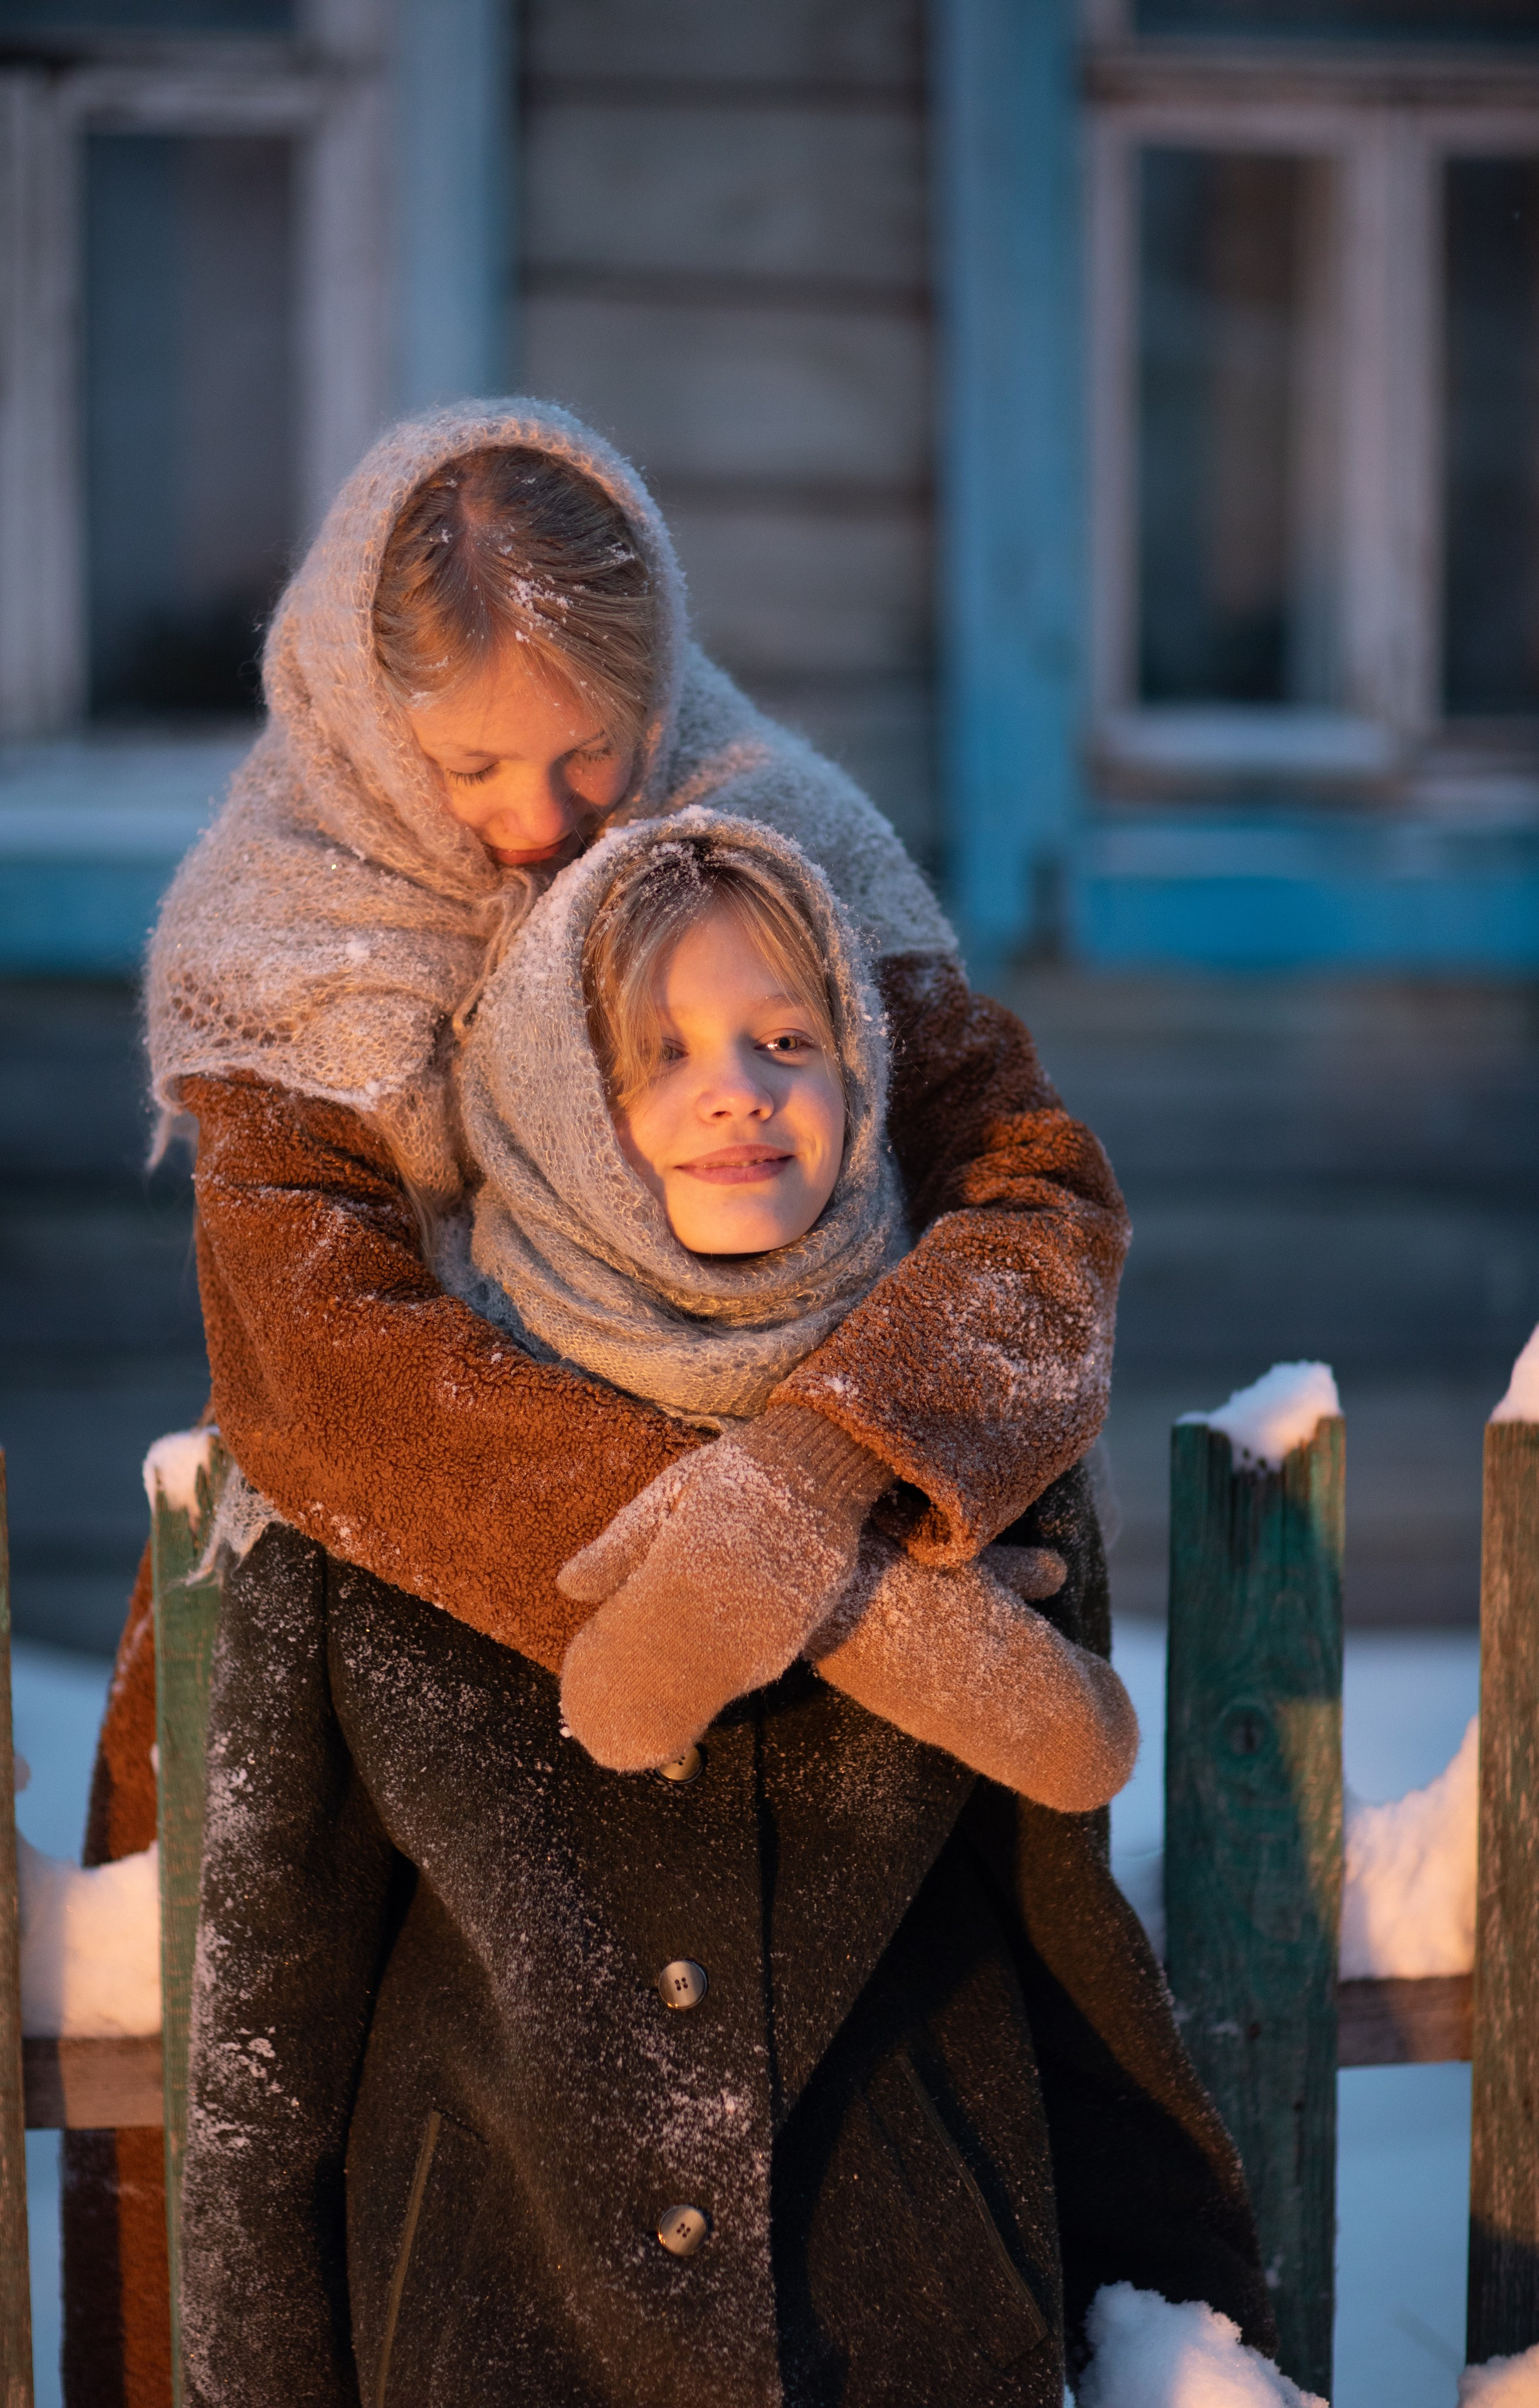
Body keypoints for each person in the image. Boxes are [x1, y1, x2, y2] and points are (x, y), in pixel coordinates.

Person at [63, 400, 1272, 2407]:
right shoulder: (300, 917)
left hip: (800, 1524)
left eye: (588, 757)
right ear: (367, 719)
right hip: (420, 1589)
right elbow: (324, 1360)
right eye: (470, 766)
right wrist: (816, 1599)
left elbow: (1036, 1203)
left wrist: (819, 1474)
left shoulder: (774, 847)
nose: (537, 819)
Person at [179, 810, 1152, 2407]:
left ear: (861, 1075)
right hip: (491, 2344)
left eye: (789, 1038)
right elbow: (270, 2036)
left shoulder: (967, 1460)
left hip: (913, 2341)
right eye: (657, 1055)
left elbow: (1070, 1953)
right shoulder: (386, 1489)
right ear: (553, 1099)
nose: (741, 1088)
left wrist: (1187, 2326)